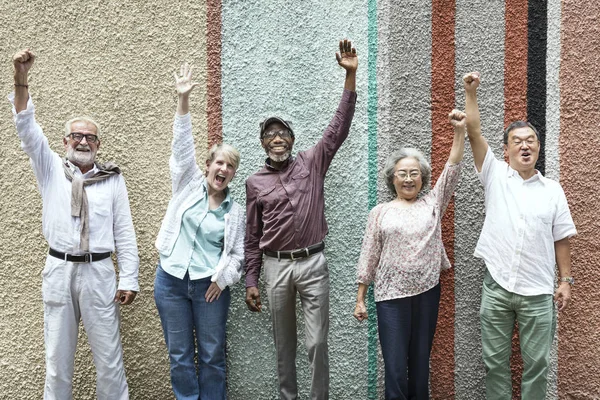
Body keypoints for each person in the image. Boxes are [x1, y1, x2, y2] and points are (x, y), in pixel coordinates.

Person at [9, 49, 139, 399]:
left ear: (98, 145)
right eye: (76, 136)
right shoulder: (49, 166)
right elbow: (25, 125)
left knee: (110, 362)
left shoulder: (112, 179)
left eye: (90, 137)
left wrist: (129, 277)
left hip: (99, 273)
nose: (83, 141)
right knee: (57, 361)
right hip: (59, 269)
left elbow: (124, 230)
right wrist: (21, 77)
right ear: (65, 141)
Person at [244, 39, 358, 400]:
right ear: (263, 144)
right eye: (270, 135)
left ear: (292, 139)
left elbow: (338, 127)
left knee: (317, 342)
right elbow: (252, 235)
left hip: (312, 262)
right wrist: (251, 278)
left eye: (282, 134)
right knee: (283, 346)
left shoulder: (312, 161)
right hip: (275, 268)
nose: (277, 139)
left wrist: (350, 77)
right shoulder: (254, 183)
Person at [463, 71, 577, 399]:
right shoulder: (495, 174)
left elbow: (562, 238)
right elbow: (473, 132)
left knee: (537, 365)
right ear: (507, 149)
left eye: (531, 141)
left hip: (539, 292)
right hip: (497, 287)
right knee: (495, 364)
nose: (525, 146)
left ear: (539, 147)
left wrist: (565, 281)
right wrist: (471, 93)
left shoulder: (553, 191)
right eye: (517, 141)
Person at [353, 110, 467, 399]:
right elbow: (370, 253)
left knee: (419, 364)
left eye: (414, 173)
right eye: (402, 174)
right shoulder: (380, 212)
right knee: (394, 366)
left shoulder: (432, 203)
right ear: (392, 179)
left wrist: (459, 131)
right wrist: (360, 297)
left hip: (427, 292)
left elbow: (452, 168)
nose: (408, 179)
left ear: (422, 178)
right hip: (390, 298)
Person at [154, 63, 245, 400]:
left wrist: (224, 279)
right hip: (170, 281)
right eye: (218, 162)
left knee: (211, 357)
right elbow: (181, 148)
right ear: (207, 166)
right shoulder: (186, 186)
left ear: (233, 175)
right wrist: (183, 101)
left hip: (210, 287)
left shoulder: (235, 213)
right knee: (179, 357)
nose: (222, 168)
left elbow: (239, 256)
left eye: (230, 165)